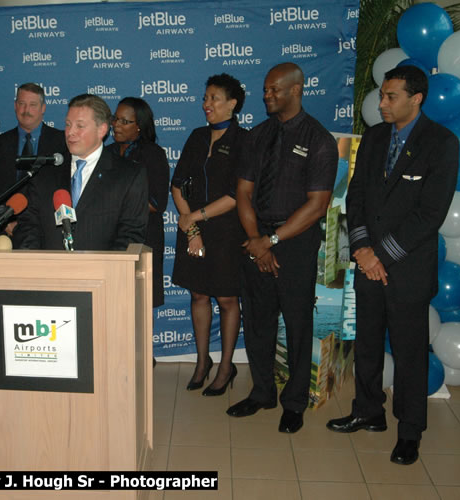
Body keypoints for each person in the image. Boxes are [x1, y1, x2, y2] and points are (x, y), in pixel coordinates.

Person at [326, 65, 458, 465]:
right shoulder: (376, 138)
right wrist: (364, 251)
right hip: (369, 265)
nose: (381, 103)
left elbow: (430, 214)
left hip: (407, 269)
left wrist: (379, 256)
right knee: (366, 344)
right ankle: (368, 412)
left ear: (416, 98)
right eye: (381, 95)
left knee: (409, 353)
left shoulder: (441, 142)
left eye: (391, 96)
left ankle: (410, 431)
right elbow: (358, 196)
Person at [230, 63, 337, 434]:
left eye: (274, 90)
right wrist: (257, 240)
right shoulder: (256, 136)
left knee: (296, 324)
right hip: (255, 238)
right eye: (265, 90)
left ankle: (294, 402)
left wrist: (271, 242)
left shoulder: (319, 139)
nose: (267, 96)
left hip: (293, 244)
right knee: (257, 321)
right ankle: (262, 392)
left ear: (296, 90)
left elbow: (317, 205)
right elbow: (243, 192)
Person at [170, 73, 246, 396]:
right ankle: (203, 362)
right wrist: (193, 229)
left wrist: (195, 218)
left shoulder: (245, 141)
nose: (207, 104)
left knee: (227, 299)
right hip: (193, 232)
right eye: (205, 98)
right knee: (198, 295)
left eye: (214, 98)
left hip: (227, 232)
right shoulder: (197, 137)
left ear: (233, 103)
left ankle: (227, 366)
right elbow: (177, 185)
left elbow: (236, 195)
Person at [14, 94, 147, 251]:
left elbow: (130, 236)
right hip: (49, 271)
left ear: (102, 129)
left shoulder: (128, 175)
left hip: (103, 273)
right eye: (68, 125)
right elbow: (28, 226)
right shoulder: (46, 171)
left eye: (80, 126)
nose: (70, 132)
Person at [107, 97, 169, 308]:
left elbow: (156, 203)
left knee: (139, 305)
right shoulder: (105, 154)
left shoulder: (153, 155)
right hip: (109, 241)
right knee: (112, 303)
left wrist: (114, 207)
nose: (116, 125)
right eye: (115, 119)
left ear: (139, 127)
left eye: (124, 121)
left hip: (143, 240)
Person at [0, 83, 68, 236]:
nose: (26, 111)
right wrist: (4, 222)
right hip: (8, 227)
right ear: (15, 105)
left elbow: (64, 185)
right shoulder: (0, 143)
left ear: (43, 108)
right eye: (22, 104)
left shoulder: (61, 141)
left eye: (32, 105)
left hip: (49, 228)